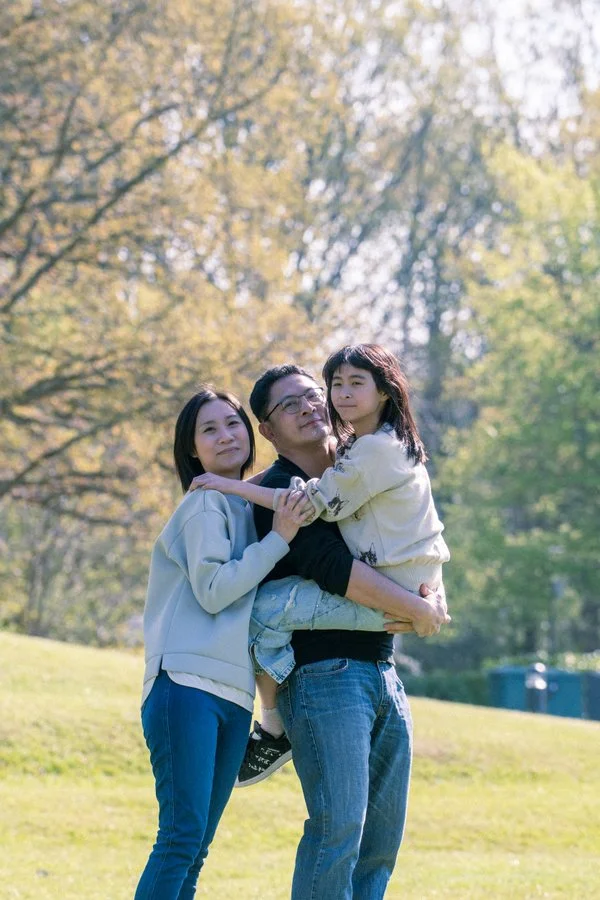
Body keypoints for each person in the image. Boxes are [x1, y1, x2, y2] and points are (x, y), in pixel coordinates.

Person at [192, 357, 450, 900]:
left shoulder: (363, 464)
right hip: (324, 676)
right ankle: (273, 727)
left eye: (314, 393)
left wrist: (431, 592)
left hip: (382, 668)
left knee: (380, 843)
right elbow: (338, 573)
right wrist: (419, 609)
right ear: (268, 429)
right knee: (338, 833)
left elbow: (412, 536)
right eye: (289, 404)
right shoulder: (282, 490)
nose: (310, 406)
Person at [135, 386, 311, 900]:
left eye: (233, 423)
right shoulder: (205, 503)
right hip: (185, 687)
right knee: (180, 838)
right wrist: (280, 538)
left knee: (197, 846)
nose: (226, 435)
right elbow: (213, 591)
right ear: (193, 451)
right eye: (208, 429)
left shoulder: (242, 503)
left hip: (233, 696)